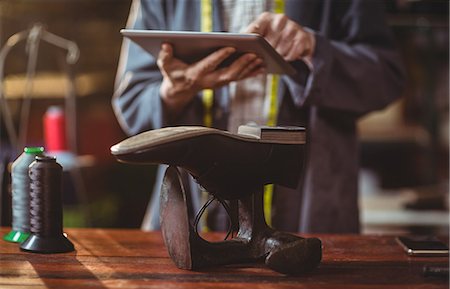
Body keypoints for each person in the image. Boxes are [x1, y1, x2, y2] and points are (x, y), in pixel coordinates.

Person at [112, 0, 405, 233]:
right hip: (193, 223)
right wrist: (175, 90)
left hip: (310, 218)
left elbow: (386, 79)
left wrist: (314, 50)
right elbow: (132, 107)